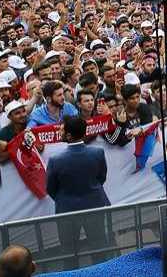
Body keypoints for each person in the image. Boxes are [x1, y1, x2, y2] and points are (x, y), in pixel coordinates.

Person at [46, 115, 111, 269]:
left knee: (69, 252)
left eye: (62, 130)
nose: (60, 132)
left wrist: (65, 199)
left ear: (68, 135)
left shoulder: (55, 160)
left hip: (67, 210)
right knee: (99, 248)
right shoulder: (97, 153)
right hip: (94, 205)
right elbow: (101, 178)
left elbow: (50, 188)